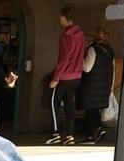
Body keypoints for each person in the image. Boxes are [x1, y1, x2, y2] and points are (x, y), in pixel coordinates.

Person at [47, 6, 86, 146]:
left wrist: (56, 77)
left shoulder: (66, 35)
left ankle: (55, 133)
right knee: (70, 106)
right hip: (76, 76)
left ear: (64, 17)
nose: (59, 20)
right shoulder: (81, 35)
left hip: (64, 76)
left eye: (59, 17)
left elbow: (64, 58)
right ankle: (70, 135)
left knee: (52, 103)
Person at [79, 27, 115, 144]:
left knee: (90, 109)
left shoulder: (93, 49)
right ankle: (99, 129)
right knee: (94, 109)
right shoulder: (110, 50)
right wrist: (111, 87)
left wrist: (78, 59)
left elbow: (87, 67)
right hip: (104, 85)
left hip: (91, 85)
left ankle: (90, 136)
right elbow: (113, 69)